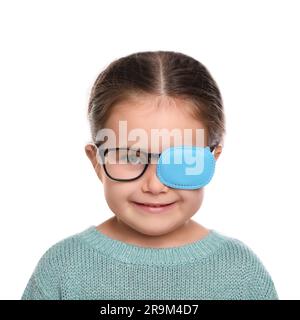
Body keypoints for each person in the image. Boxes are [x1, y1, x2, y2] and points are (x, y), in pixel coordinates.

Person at [21, 50, 278, 300]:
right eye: (132, 157)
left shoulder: (242, 274)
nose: (155, 185)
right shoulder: (62, 271)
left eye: (180, 159)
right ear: (97, 162)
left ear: (211, 161)